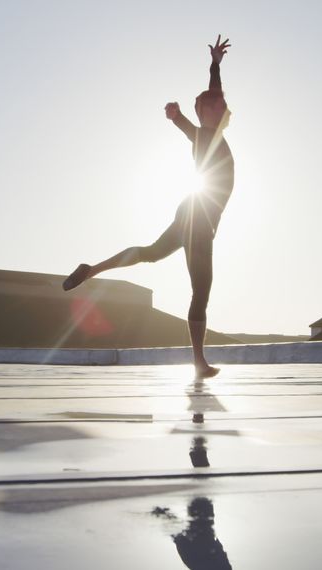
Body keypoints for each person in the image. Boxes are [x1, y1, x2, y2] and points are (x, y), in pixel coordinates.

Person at [62, 35, 235, 380]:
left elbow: (212, 97)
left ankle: (92, 269)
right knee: (200, 291)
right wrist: (179, 116)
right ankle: (199, 362)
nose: (224, 107)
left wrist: (215, 66)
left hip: (192, 213)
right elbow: (194, 124)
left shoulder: (211, 132)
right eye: (217, 106)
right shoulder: (205, 136)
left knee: (152, 253)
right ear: (207, 113)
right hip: (198, 220)